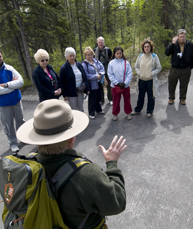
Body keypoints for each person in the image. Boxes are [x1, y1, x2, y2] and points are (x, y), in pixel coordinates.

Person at [16, 99, 127, 228]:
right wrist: (112, 164)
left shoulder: (27, 166)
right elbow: (117, 203)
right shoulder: (86, 175)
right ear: (71, 138)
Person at [165, 29, 193, 105]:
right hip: (174, 69)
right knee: (172, 84)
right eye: (181, 36)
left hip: (185, 69)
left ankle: (182, 98)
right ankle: (171, 98)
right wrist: (172, 44)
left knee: (184, 85)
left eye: (184, 36)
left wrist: (189, 67)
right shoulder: (174, 45)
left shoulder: (190, 45)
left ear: (185, 36)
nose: (182, 38)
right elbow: (167, 53)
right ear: (178, 37)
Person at [132, 40, 162, 118]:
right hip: (141, 79)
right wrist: (139, 73)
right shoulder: (140, 56)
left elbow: (159, 68)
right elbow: (136, 67)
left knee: (151, 96)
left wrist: (152, 73)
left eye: (148, 46)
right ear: (143, 48)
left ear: (151, 47)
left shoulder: (154, 57)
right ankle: (138, 109)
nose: (147, 48)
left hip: (150, 80)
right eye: (145, 47)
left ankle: (149, 111)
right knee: (140, 96)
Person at [60, 47, 90, 112]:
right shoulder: (64, 68)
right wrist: (65, 95)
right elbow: (62, 83)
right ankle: (75, 122)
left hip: (80, 90)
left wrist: (87, 89)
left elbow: (84, 77)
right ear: (66, 56)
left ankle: (82, 121)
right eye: (70, 56)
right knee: (74, 110)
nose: (72, 57)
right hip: (71, 93)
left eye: (73, 55)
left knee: (81, 109)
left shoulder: (79, 65)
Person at [107, 46, 133, 121]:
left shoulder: (126, 63)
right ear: (114, 54)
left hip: (125, 86)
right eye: (117, 53)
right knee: (116, 100)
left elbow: (129, 73)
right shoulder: (111, 63)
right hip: (115, 86)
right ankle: (115, 113)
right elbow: (110, 74)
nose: (119, 55)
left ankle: (128, 112)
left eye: (120, 53)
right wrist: (117, 83)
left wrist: (125, 83)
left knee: (127, 100)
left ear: (122, 53)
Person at [82, 46, 106, 119]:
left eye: (91, 54)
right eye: (88, 55)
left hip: (99, 82)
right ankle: (91, 113)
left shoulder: (96, 61)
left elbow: (102, 68)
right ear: (85, 55)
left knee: (99, 97)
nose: (90, 56)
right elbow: (86, 75)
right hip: (91, 84)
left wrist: (100, 74)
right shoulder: (84, 64)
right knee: (92, 99)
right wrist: (96, 76)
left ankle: (98, 109)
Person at [94, 36, 113, 105]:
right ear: (97, 43)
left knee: (109, 85)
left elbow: (112, 60)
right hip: (98, 71)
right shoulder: (95, 50)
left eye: (101, 42)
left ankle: (110, 99)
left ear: (104, 42)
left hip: (107, 70)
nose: (100, 44)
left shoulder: (108, 50)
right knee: (100, 85)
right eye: (99, 42)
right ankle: (101, 99)